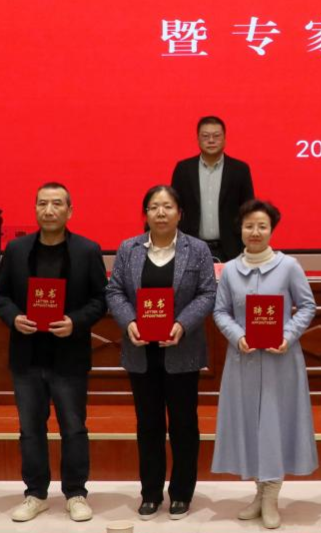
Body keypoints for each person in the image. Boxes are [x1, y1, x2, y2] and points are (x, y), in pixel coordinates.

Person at [0, 183, 107, 523]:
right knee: (30, 429)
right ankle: (36, 494)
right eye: (42, 203)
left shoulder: (87, 250)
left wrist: (75, 321)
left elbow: (101, 299)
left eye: (57, 204)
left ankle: (76, 493)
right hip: (27, 356)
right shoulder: (16, 250)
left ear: (70, 211)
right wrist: (14, 317)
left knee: (73, 427)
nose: (49, 210)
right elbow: (0, 295)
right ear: (35, 209)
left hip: (69, 355)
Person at [106, 185, 218, 520]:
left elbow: (207, 293)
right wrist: (129, 322)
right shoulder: (128, 248)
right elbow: (114, 291)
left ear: (179, 213)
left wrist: (182, 324)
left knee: (184, 424)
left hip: (181, 349)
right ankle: (151, 492)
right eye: (154, 206)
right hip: (141, 351)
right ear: (145, 214)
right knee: (148, 424)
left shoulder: (197, 249)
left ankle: (182, 492)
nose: (160, 213)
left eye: (168, 206)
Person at [212, 200, 318, 529]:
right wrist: (237, 335)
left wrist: (288, 335)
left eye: (262, 226)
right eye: (249, 226)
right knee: (249, 424)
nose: (255, 232)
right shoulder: (230, 270)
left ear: (272, 230)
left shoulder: (289, 267)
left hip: (280, 361)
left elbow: (307, 306)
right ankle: (258, 492)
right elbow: (220, 311)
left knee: (275, 424)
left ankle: (272, 495)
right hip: (243, 360)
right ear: (240, 229)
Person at [171, 116, 255, 262]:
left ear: (224, 139)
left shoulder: (240, 169)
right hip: (191, 248)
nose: (211, 140)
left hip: (231, 250)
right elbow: (174, 208)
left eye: (216, 136)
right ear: (198, 139)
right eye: (205, 136)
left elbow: (248, 210)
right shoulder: (183, 169)